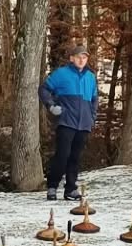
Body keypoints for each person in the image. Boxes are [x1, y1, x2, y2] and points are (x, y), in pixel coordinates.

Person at [38, 43, 99, 200]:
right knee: (62, 155)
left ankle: (71, 189)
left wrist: (92, 117)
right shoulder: (61, 74)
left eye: (84, 57)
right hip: (66, 121)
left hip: (83, 124)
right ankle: (52, 186)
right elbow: (44, 89)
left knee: (75, 157)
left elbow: (94, 99)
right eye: (79, 57)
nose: (81, 60)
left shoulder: (91, 77)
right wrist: (51, 106)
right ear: (72, 58)